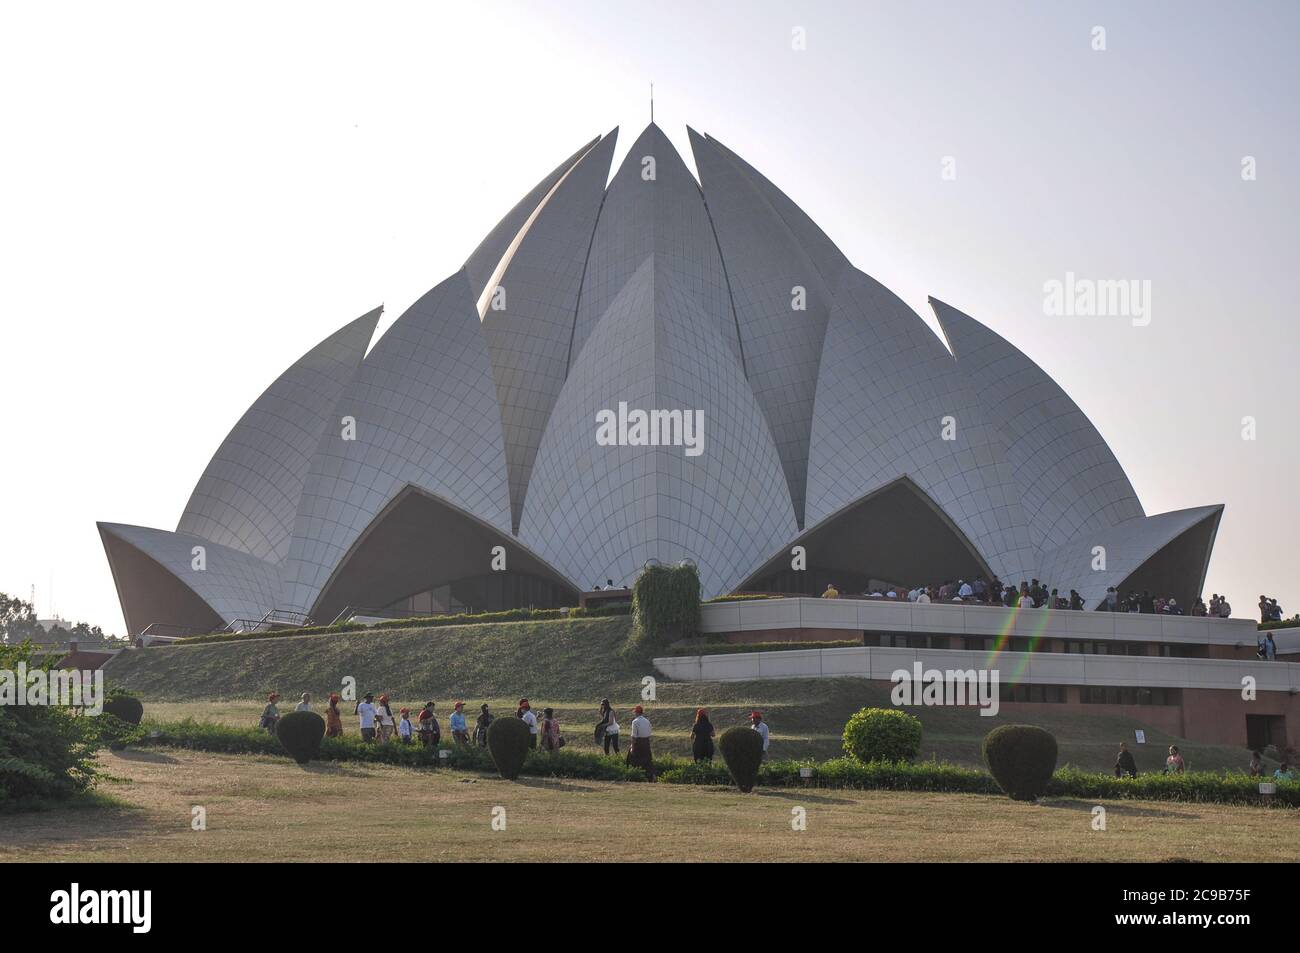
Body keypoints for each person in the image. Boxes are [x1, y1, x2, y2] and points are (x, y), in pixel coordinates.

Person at [626, 704, 655, 780]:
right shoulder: (647, 721)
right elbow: (649, 733)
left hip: (638, 742)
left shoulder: (635, 722)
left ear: (637, 713)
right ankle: (650, 776)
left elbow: (634, 736)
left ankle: (634, 776)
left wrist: (632, 746)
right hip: (646, 742)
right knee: (647, 760)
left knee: (632, 759)